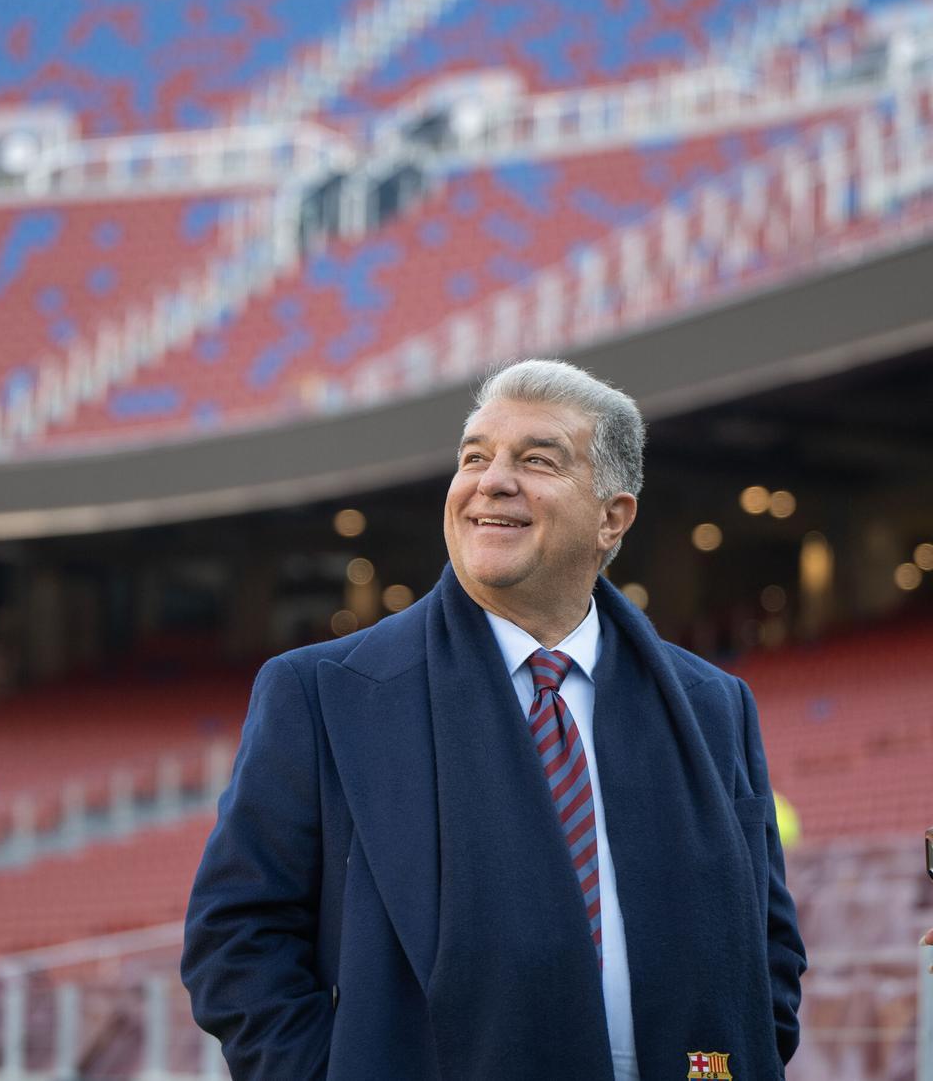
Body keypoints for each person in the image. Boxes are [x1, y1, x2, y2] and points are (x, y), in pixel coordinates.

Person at [182, 358, 806, 1081]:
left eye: (536, 459)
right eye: (474, 456)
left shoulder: (711, 706)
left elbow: (771, 949)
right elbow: (236, 939)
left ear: (613, 516)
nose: (492, 480)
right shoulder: (325, 693)